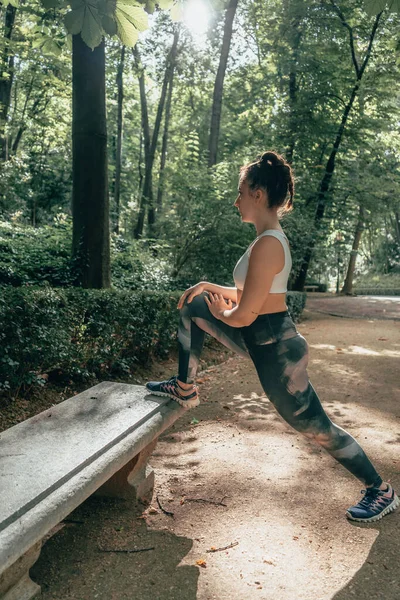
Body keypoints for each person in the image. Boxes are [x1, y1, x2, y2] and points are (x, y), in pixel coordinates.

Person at [146, 150, 399, 523]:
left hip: (277, 350)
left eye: (241, 192)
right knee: (193, 305)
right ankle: (185, 387)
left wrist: (222, 314)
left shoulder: (268, 244)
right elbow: (250, 297)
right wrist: (208, 288)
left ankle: (381, 490)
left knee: (316, 428)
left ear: (259, 194)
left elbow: (246, 312)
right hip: (258, 335)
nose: (236, 200)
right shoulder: (264, 240)